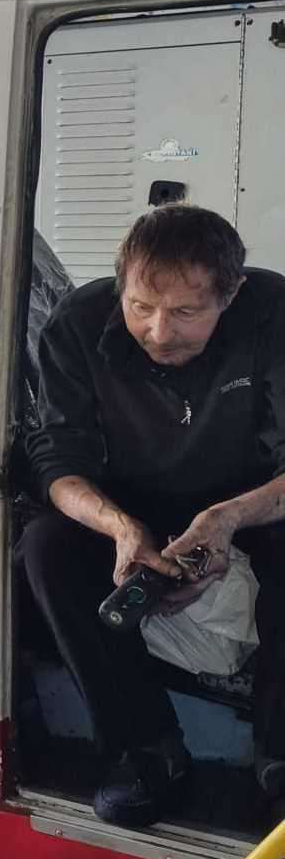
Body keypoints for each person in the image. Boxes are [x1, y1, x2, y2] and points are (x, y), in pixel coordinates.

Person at [20, 204, 285, 827]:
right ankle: (146, 750)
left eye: (187, 313)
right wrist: (119, 527)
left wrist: (224, 521)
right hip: (131, 499)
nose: (160, 332)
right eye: (141, 307)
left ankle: (278, 758)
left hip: (255, 498)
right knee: (45, 547)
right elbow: (57, 462)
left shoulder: (275, 313)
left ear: (233, 292)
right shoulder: (78, 324)